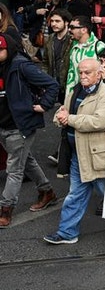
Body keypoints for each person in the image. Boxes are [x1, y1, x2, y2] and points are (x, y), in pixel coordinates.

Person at [43, 58, 105, 243]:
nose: (83, 76)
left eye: (87, 73)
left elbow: (98, 122)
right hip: (78, 154)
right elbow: (61, 113)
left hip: (97, 156)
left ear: (99, 74)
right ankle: (67, 233)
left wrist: (68, 118)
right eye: (81, 72)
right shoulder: (74, 90)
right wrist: (61, 117)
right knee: (75, 194)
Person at [0, 33, 59, 227]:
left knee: (15, 169)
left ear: (8, 49)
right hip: (3, 125)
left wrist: (44, 105)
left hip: (19, 125)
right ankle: (47, 191)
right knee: (26, 160)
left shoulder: (20, 65)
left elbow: (51, 85)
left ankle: (6, 209)